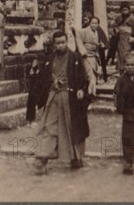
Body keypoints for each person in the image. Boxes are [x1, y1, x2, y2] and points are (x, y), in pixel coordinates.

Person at [33, 30, 96, 175]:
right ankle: (42, 160)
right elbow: (43, 77)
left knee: (71, 128)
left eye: (63, 42)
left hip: (71, 98)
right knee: (50, 127)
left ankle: (75, 157)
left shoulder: (75, 57)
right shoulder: (49, 59)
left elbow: (84, 77)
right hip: (54, 97)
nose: (60, 45)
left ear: (67, 42)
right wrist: (53, 81)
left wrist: (82, 89)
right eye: (57, 43)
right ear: (53, 44)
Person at [113, 2, 134, 73]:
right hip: (120, 38)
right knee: (120, 54)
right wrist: (116, 29)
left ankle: (130, 69)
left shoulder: (132, 19)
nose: (124, 12)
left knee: (128, 53)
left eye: (126, 10)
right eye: (123, 10)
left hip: (128, 38)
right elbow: (115, 25)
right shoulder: (119, 18)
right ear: (121, 10)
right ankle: (121, 69)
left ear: (129, 10)